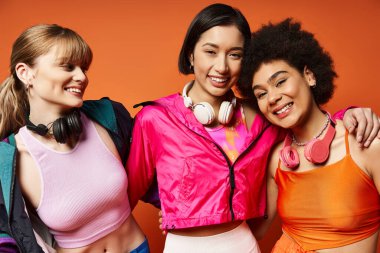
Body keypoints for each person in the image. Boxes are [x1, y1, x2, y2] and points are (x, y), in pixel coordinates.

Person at [127, 4, 379, 253]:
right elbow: (127, 192)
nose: (222, 67)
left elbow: (307, 124)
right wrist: (180, 208)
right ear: (191, 55)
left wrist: (349, 116)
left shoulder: (261, 117)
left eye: (235, 54)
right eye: (210, 52)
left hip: (242, 243)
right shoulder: (155, 118)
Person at [0, 24, 148, 253]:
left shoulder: (108, 118)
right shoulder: (10, 159)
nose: (81, 77)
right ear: (25, 73)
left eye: (83, 68)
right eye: (68, 67)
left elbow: (153, 169)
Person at [238, 18, 380, 252]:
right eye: (261, 94)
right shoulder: (278, 159)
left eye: (280, 81)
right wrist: (189, 220)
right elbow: (254, 231)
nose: (272, 98)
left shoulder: (365, 143)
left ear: (310, 76)